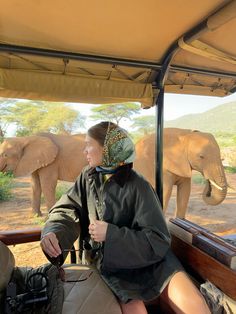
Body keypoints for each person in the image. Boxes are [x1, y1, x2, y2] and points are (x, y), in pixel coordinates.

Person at [40, 121, 210, 314]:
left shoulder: (140, 186)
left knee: (195, 305)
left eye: (89, 145)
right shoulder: (87, 178)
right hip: (113, 263)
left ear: (107, 150)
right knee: (135, 309)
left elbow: (158, 239)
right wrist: (53, 231)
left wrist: (111, 234)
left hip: (153, 260)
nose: (84, 151)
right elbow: (67, 209)